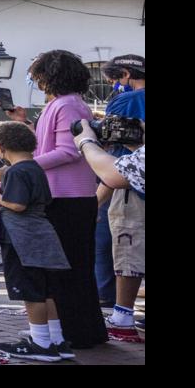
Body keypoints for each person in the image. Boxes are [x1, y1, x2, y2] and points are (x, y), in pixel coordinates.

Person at [0, 121, 72, 362]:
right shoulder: (35, 168)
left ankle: (40, 343)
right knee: (46, 290)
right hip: (41, 233)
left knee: (30, 291)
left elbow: (17, 205)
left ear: (1, 147)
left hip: (22, 237)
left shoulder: (16, 171)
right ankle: (56, 339)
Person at [26, 49, 106, 349]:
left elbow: (70, 151)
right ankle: (73, 330)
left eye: (40, 76)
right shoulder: (60, 105)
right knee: (66, 267)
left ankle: (78, 332)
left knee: (70, 267)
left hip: (69, 197)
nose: (37, 82)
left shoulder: (69, 106)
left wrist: (26, 165)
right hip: (61, 195)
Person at [74, 120, 145, 341]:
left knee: (128, 253)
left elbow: (113, 174)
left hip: (131, 204)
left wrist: (86, 141)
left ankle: (122, 319)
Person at [93, 54, 144, 305]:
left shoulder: (127, 100)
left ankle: (123, 314)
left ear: (125, 74)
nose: (114, 85)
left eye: (113, 79)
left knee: (128, 250)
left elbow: (116, 156)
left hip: (132, 187)